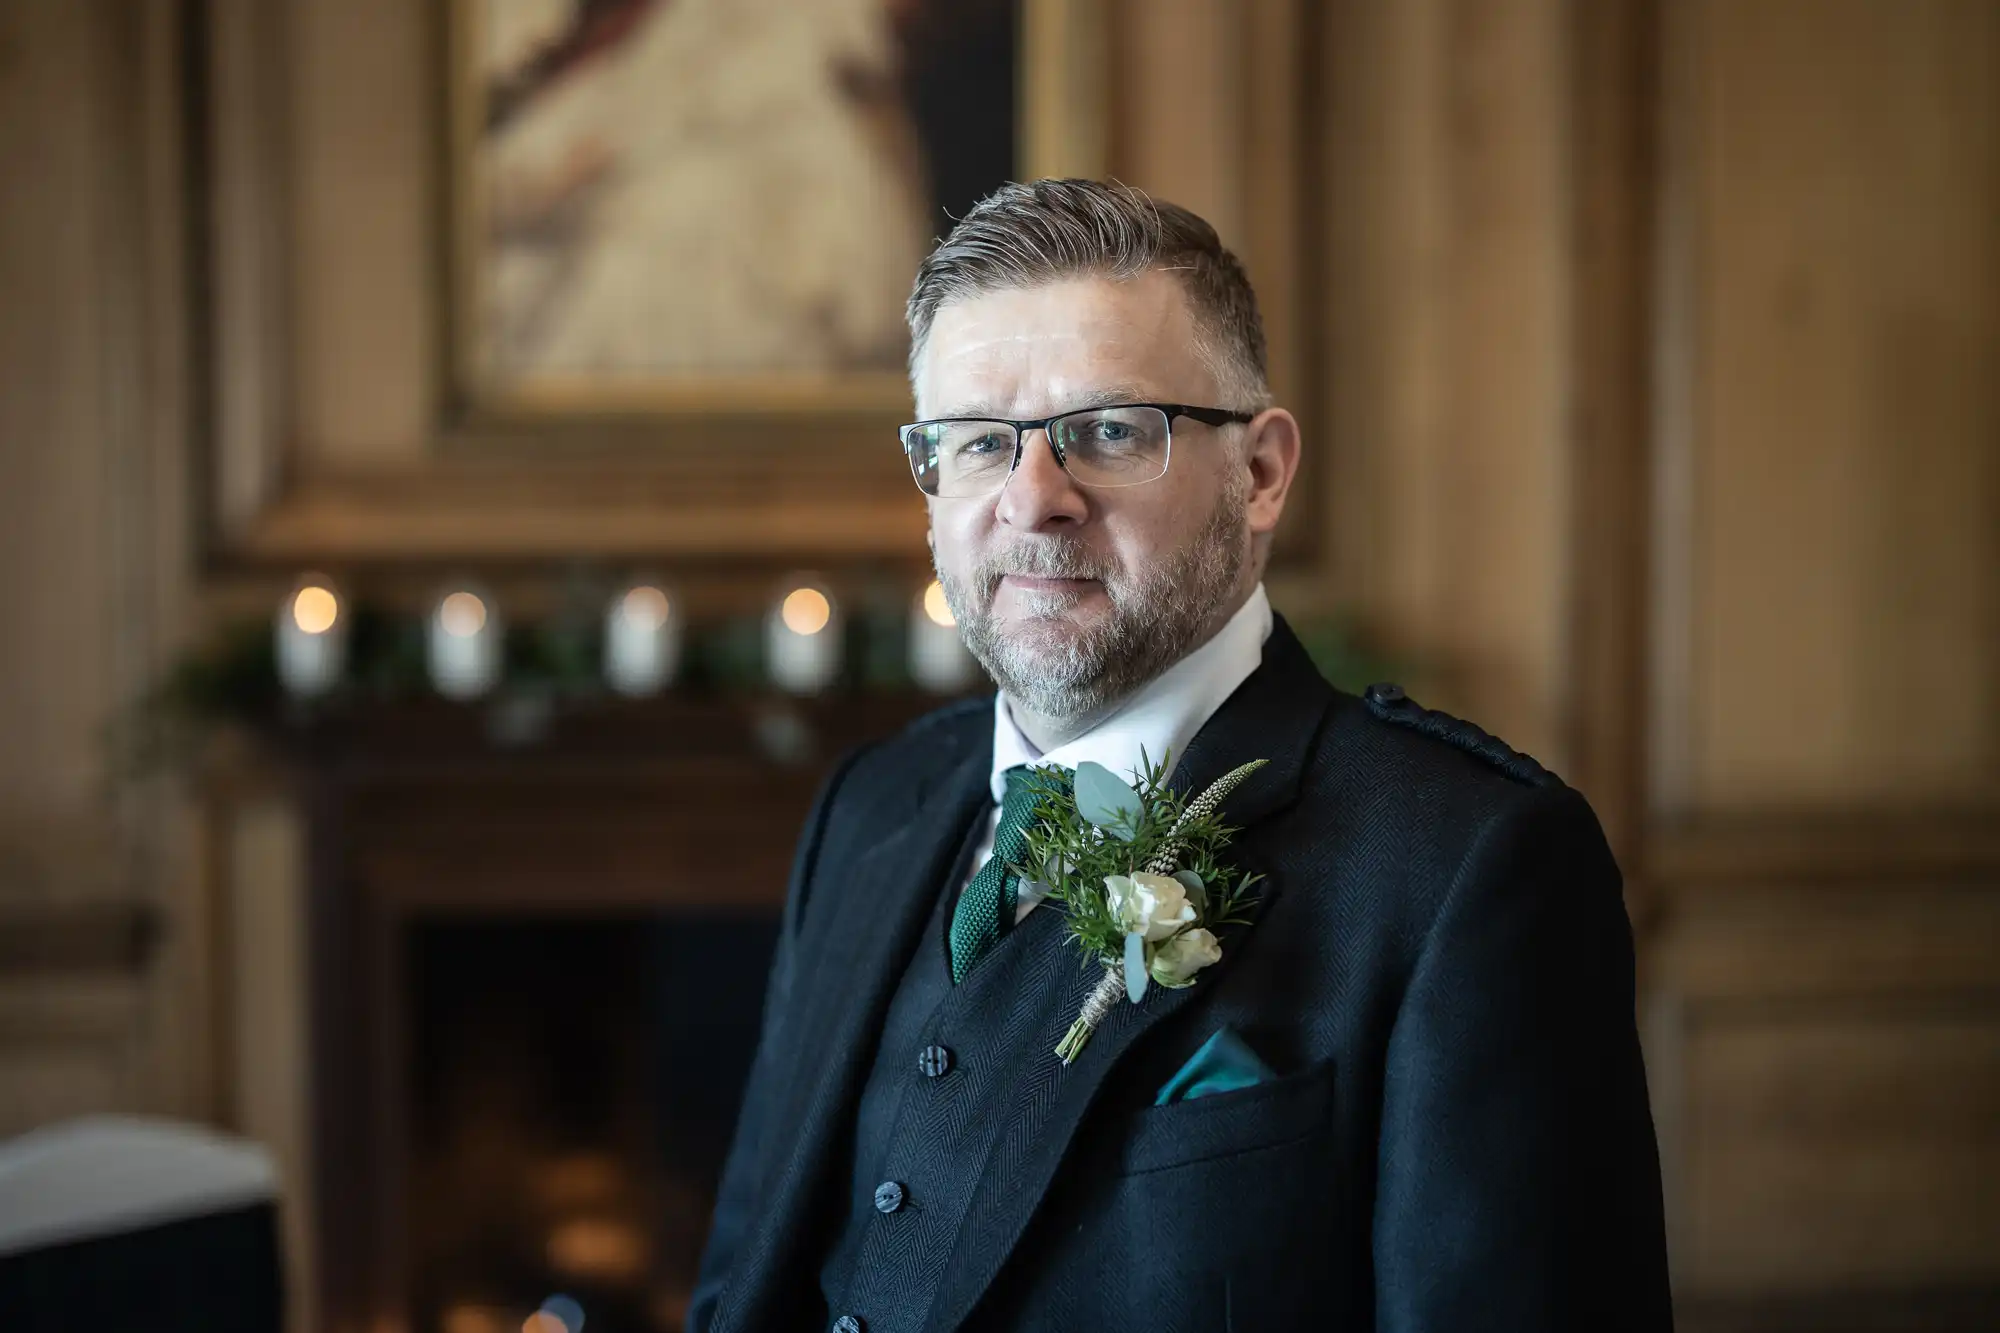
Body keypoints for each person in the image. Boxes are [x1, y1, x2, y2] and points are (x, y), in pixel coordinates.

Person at [690, 178, 1672, 1332]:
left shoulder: (1468, 870)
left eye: (1107, 431)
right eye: (976, 443)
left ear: (1257, 474)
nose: (1032, 499)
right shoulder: (870, 807)